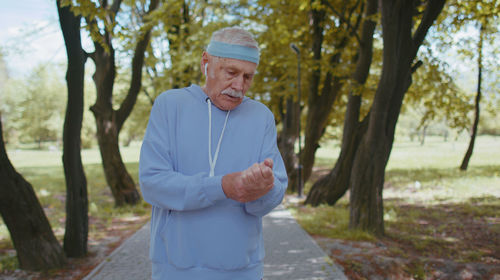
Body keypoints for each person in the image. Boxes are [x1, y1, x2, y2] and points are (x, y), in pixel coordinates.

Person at [139, 26, 288, 280]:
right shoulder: (170, 105)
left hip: (242, 270)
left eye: (248, 77)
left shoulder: (261, 116)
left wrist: (261, 189)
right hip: (175, 269)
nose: (239, 85)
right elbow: (153, 184)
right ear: (206, 62)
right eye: (231, 72)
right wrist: (222, 187)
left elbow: (274, 190)